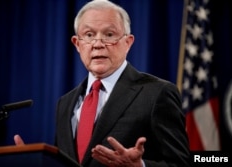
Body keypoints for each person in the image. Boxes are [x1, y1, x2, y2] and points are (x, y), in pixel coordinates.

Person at [14, 0, 190, 166]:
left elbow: (181, 162)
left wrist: (140, 166)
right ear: (77, 43)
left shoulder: (157, 93)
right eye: (89, 35)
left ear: (128, 42)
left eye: (109, 34)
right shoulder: (65, 104)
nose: (98, 44)